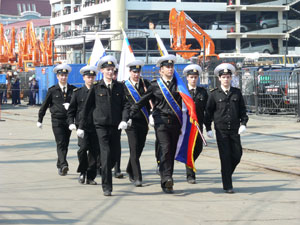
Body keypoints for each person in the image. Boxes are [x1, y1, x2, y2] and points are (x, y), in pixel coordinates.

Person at [77, 55, 129, 196]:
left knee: (115, 155)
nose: (110, 72)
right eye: (107, 70)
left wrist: (125, 119)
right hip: (100, 126)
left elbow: (126, 105)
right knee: (105, 155)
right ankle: (107, 186)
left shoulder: (120, 87)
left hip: (116, 127)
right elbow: (86, 108)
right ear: (102, 71)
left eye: (112, 70)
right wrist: (81, 126)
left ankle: (105, 168)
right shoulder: (96, 87)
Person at [130, 55, 182, 194]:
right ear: (161, 70)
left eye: (172, 67)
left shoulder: (179, 84)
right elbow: (142, 101)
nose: (170, 69)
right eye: (167, 67)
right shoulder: (154, 85)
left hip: (176, 122)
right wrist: (129, 114)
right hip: (161, 122)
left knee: (171, 152)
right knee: (165, 149)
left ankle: (167, 178)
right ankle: (167, 178)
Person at [205, 63, 248, 194]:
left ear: (231, 78)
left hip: (234, 129)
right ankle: (228, 185)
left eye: (228, 77)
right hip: (221, 129)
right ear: (219, 78)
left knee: (237, 154)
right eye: (223, 77)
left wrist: (243, 124)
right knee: (225, 157)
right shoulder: (214, 94)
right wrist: (208, 128)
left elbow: (242, 110)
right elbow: (208, 112)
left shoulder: (237, 92)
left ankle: (226, 172)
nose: (226, 79)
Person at [37, 64, 76, 176]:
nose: (63, 77)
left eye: (65, 75)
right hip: (57, 120)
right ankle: (64, 164)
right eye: (61, 75)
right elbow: (44, 106)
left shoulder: (73, 90)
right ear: (57, 77)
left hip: (68, 121)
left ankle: (60, 164)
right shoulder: (53, 90)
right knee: (60, 142)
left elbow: (78, 105)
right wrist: (40, 119)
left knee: (66, 143)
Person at [67, 65, 99, 185]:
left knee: (94, 152)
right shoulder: (78, 93)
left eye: (92, 77)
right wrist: (71, 123)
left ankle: (91, 176)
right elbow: (71, 110)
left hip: (96, 125)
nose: (90, 79)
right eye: (88, 77)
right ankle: (83, 171)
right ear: (84, 78)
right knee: (82, 149)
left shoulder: (99, 91)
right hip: (82, 126)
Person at [123, 60, 151, 187]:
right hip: (131, 122)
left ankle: (129, 168)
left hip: (144, 120)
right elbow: (123, 105)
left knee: (139, 148)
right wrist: (124, 118)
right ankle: (137, 177)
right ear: (130, 72)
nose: (136, 74)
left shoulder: (146, 84)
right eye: (134, 72)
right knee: (134, 148)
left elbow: (151, 100)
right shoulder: (124, 86)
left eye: (138, 72)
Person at [183, 64, 208, 184]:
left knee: (198, 148)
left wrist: (208, 126)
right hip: (185, 125)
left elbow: (207, 109)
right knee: (189, 149)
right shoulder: (182, 91)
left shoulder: (202, 92)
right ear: (187, 78)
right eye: (191, 77)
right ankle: (190, 175)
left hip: (198, 125)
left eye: (195, 77)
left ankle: (188, 162)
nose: (193, 79)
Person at [111, 64, 124, 179]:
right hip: (102, 121)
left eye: (115, 73)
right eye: (112, 72)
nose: (113, 75)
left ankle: (117, 169)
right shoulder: (99, 86)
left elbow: (124, 104)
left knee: (116, 146)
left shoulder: (120, 87)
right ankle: (101, 166)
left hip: (117, 122)